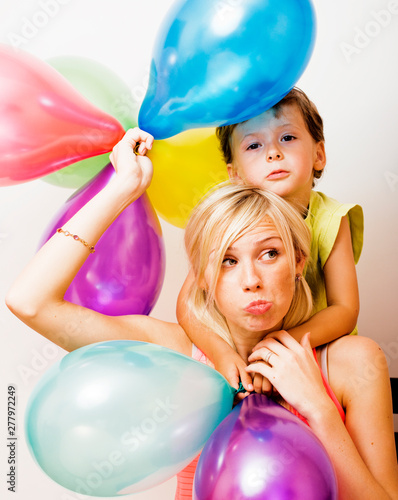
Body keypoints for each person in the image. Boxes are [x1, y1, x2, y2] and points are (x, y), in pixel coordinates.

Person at [6, 129, 397, 500]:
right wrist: (123, 188)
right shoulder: (172, 353)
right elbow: (30, 302)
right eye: (227, 261)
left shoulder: (353, 363)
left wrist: (319, 409)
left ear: (298, 261)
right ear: (203, 278)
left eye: (269, 254)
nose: (251, 280)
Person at [177, 87, 364, 393]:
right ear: (234, 174)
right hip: (245, 355)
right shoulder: (229, 224)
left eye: (287, 138)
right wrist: (221, 353)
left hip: (312, 353)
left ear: (318, 155)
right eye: (254, 145)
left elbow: (345, 310)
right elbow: (187, 305)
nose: (273, 153)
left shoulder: (333, 218)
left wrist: (282, 346)